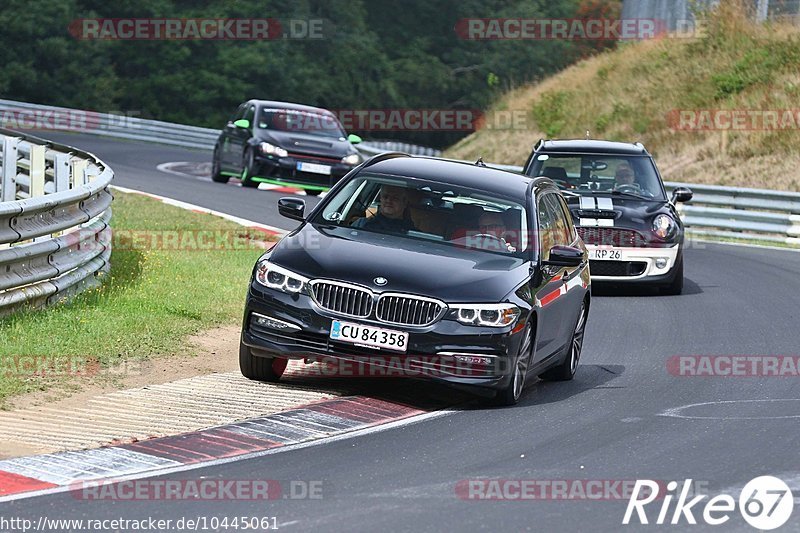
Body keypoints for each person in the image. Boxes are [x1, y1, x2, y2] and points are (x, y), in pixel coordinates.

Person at [351, 185, 416, 233]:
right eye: (385, 197)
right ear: (381, 199)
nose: (389, 200)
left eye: (395, 198)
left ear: (404, 202)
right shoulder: (361, 224)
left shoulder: (412, 233)